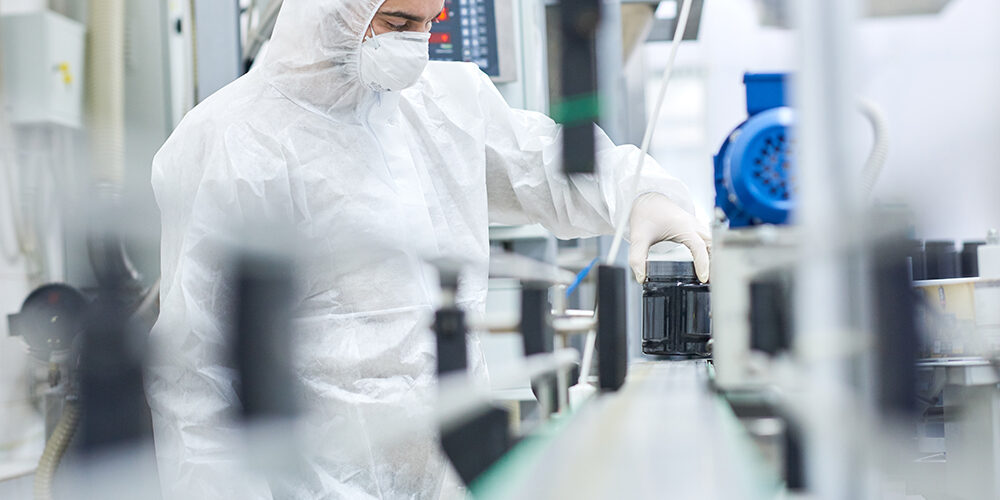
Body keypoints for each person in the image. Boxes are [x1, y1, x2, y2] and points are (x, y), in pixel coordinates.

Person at [146, 0, 711, 498]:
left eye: (428, 23)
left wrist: (642, 195)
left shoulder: (444, 103)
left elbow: (551, 166)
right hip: (315, 482)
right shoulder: (231, 140)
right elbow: (197, 380)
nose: (414, 43)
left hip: (453, 474)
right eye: (397, 21)